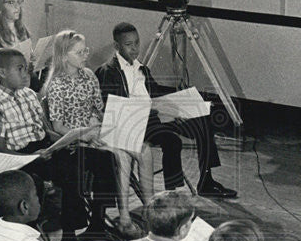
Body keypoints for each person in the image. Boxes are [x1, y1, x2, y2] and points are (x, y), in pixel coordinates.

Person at [97, 22, 236, 198]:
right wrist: (152, 109)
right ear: (117, 46)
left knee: (203, 119)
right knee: (172, 141)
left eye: (137, 43)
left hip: (153, 117)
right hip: (131, 125)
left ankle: (206, 181)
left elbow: (155, 93)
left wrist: (174, 108)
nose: (134, 49)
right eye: (128, 45)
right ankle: (173, 192)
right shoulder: (108, 71)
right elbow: (112, 109)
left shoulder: (142, 69)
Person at [42, 29, 145, 239]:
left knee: (135, 150)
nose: (85, 56)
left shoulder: (89, 76)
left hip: (95, 132)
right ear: (63, 56)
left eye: (85, 51)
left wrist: (103, 124)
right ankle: (101, 221)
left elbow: (99, 109)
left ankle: (99, 221)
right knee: (109, 159)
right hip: (72, 140)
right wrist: (84, 136)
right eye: (79, 53)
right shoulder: (57, 85)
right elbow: (58, 126)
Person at [0, 47, 87, 241]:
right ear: (3, 73)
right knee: (66, 170)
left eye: (26, 69)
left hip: (43, 147)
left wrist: (64, 140)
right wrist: (33, 157)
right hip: (21, 157)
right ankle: (66, 233)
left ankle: (78, 227)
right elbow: (1, 151)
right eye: (20, 69)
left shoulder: (29, 94)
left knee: (83, 160)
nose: (26, 74)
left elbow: (44, 130)